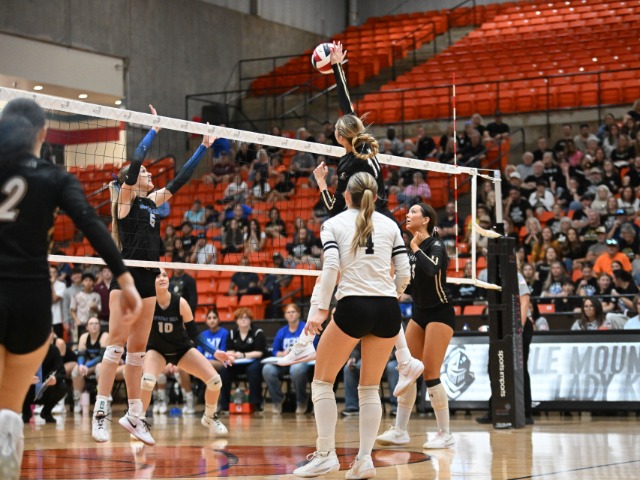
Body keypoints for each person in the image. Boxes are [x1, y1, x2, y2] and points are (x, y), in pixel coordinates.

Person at [0, 98, 142, 480]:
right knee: (8, 409)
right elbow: (91, 224)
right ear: (43, 133)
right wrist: (125, 279)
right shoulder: (54, 177)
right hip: (32, 300)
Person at [279, 43, 424, 402]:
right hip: (381, 223)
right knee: (382, 290)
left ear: (338, 136)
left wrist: (321, 183)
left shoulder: (351, 161)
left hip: (366, 224)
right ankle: (405, 360)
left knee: (331, 274)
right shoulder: (365, 150)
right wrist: (338, 68)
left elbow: (335, 211)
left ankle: (305, 341)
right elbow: (348, 110)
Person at [92, 105, 214, 445]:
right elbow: (134, 167)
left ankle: (135, 416)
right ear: (129, 182)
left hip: (147, 278)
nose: (149, 174)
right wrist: (153, 130)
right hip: (127, 277)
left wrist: (204, 147)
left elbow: (179, 180)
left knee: (137, 352)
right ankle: (100, 412)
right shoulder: (126, 201)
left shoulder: (152, 202)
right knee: (115, 346)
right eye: (145, 172)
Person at [292, 172, 411, 478]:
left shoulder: (333, 224)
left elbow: (331, 266)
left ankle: (326, 455)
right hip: (387, 309)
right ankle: (364, 460)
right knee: (370, 388)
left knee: (322, 382)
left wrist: (320, 309)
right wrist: (394, 293)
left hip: (354, 306)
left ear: (346, 194)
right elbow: (404, 271)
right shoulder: (391, 225)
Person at [375, 202, 457, 451]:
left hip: (440, 312)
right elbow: (412, 285)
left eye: (413, 212)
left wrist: (414, 247)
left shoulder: (436, 245)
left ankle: (445, 434)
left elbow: (431, 270)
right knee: (407, 370)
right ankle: (400, 430)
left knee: (430, 373)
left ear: (426, 220)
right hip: (420, 312)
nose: (407, 215)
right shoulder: (411, 251)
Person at [139, 269, 232, 436]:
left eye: (164, 275)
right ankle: (138, 422)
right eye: (157, 276)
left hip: (181, 349)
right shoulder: (147, 303)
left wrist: (214, 351)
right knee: (147, 381)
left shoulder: (180, 303)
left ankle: (210, 416)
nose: (162, 278)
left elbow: (194, 334)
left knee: (215, 381)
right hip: (157, 350)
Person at [262, 304, 313, 415]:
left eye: (293, 312)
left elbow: (313, 347)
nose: (291, 314)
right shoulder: (282, 331)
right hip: (285, 361)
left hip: (301, 361)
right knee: (267, 369)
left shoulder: (305, 328)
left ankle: (301, 401)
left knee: (296, 369)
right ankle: (278, 400)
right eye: (288, 312)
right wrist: (282, 353)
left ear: (298, 314)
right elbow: (275, 351)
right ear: (285, 315)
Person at [218, 308, 267, 414]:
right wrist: (233, 356)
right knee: (224, 370)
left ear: (250, 320)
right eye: (241, 318)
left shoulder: (258, 332)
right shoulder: (232, 333)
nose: (243, 320)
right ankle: (225, 405)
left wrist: (244, 355)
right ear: (236, 320)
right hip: (237, 362)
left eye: (246, 317)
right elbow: (229, 350)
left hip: (253, 361)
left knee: (253, 370)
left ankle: (256, 404)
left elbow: (259, 352)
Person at [342, 342, 399, 417]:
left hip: (392, 359)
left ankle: (396, 407)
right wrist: (353, 357)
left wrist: (390, 355)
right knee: (349, 368)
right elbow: (358, 347)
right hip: (370, 358)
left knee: (392, 367)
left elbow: (401, 347)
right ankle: (352, 406)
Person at [71, 317, 108, 413]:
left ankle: (104, 400)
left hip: (102, 364)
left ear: (100, 326)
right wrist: (80, 365)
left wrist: (86, 365)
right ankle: (77, 400)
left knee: (100, 367)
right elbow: (81, 354)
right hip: (88, 365)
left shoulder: (104, 336)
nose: (94, 325)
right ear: (87, 327)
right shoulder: (84, 337)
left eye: (96, 323)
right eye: (91, 323)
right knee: (76, 369)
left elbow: (101, 357)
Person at [50, 265, 67, 340]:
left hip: (57, 319)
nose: (52, 274)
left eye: (54, 272)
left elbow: (54, 300)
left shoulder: (62, 285)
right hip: (45, 319)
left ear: (57, 274)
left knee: (58, 342)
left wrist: (52, 284)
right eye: (50, 272)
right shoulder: (42, 285)